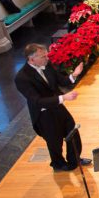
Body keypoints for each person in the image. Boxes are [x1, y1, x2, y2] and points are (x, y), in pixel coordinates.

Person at [14, 44, 89, 172]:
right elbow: (37, 101)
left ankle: (74, 159)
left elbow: (60, 80)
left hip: (57, 107)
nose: (47, 58)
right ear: (31, 59)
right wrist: (63, 98)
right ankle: (58, 164)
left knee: (73, 132)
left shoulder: (47, 65)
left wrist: (74, 75)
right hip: (44, 115)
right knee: (55, 142)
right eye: (43, 56)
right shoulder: (22, 78)